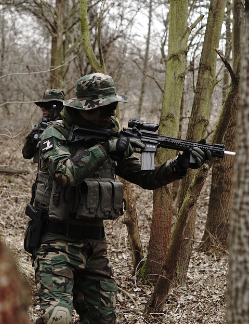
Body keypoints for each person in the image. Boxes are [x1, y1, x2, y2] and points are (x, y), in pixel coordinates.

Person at [28, 73, 211, 324]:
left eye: (113, 107)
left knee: (104, 318)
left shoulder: (110, 136)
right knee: (57, 317)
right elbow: (64, 173)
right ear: (85, 108)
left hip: (94, 245)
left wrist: (179, 165)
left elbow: (146, 177)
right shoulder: (56, 133)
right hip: (54, 241)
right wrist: (106, 149)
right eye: (104, 107)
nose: (110, 113)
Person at [22, 89, 65, 161]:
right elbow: (26, 154)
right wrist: (34, 137)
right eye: (42, 105)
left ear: (59, 107)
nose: (43, 108)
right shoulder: (40, 127)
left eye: (47, 106)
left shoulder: (69, 126)